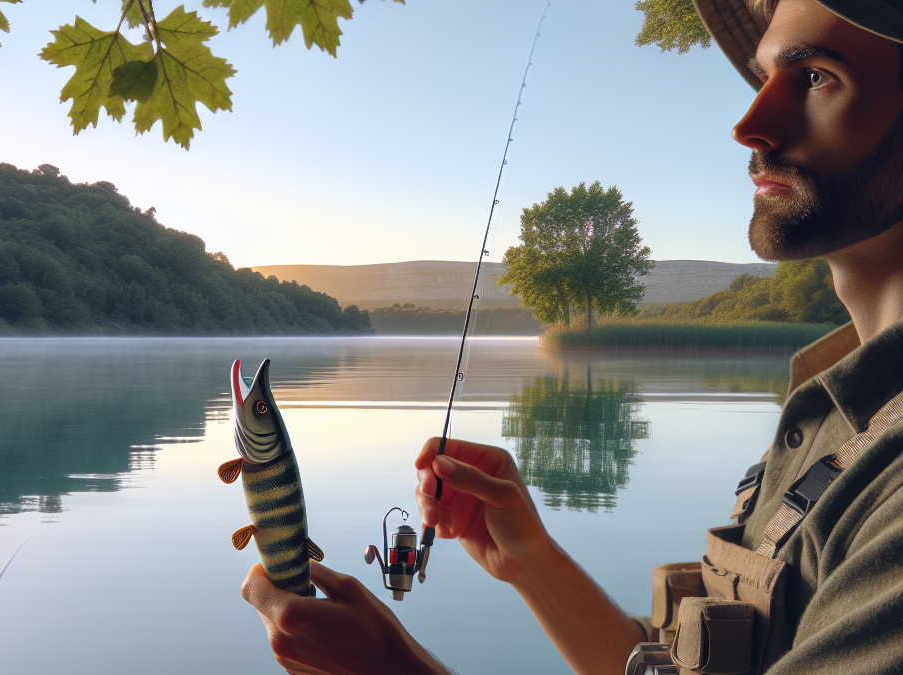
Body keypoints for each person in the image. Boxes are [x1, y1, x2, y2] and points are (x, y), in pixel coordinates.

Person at [240, 0, 903, 673]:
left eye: (817, 77)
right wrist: (532, 561)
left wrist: (393, 667)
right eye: (763, 78)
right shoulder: (840, 411)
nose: (749, 124)